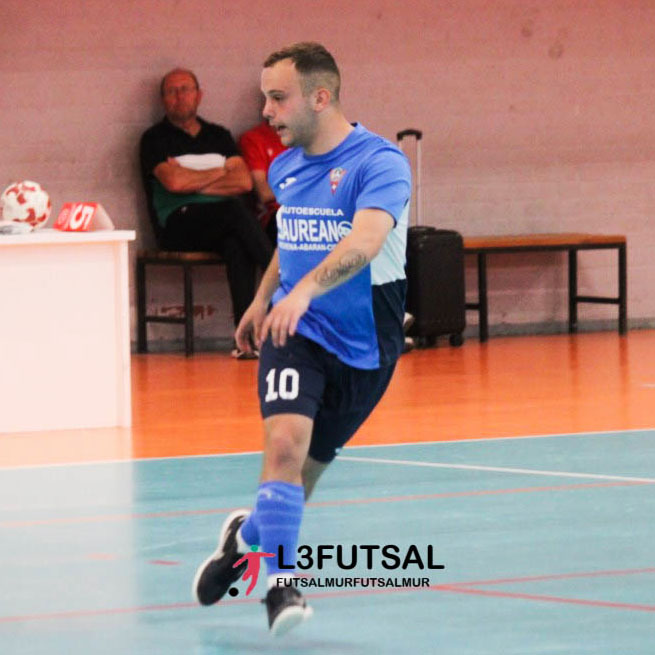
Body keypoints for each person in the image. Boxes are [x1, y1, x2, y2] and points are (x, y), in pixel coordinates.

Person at [192, 43, 411, 636]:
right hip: (297, 331)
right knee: (283, 449)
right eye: (266, 95)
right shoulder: (286, 166)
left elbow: (364, 243)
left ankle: (244, 540)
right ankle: (279, 585)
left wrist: (301, 291)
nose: (266, 110)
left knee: (298, 482)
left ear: (321, 96)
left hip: (367, 346)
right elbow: (291, 242)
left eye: (277, 96)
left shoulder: (381, 163)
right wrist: (266, 299)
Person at [139, 68, 273, 358]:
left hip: (221, 223)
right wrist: (220, 170)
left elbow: (243, 181)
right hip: (178, 225)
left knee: (237, 245)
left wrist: (193, 181)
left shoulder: (218, 135)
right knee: (235, 210)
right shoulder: (154, 139)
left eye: (185, 89)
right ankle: (283, 277)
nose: (179, 96)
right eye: (172, 91)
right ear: (163, 99)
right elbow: (174, 183)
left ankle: (245, 338)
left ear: (199, 95)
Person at [238, 119, 288, 245]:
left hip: (314, 212)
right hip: (276, 215)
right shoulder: (254, 139)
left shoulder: (311, 141)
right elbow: (264, 193)